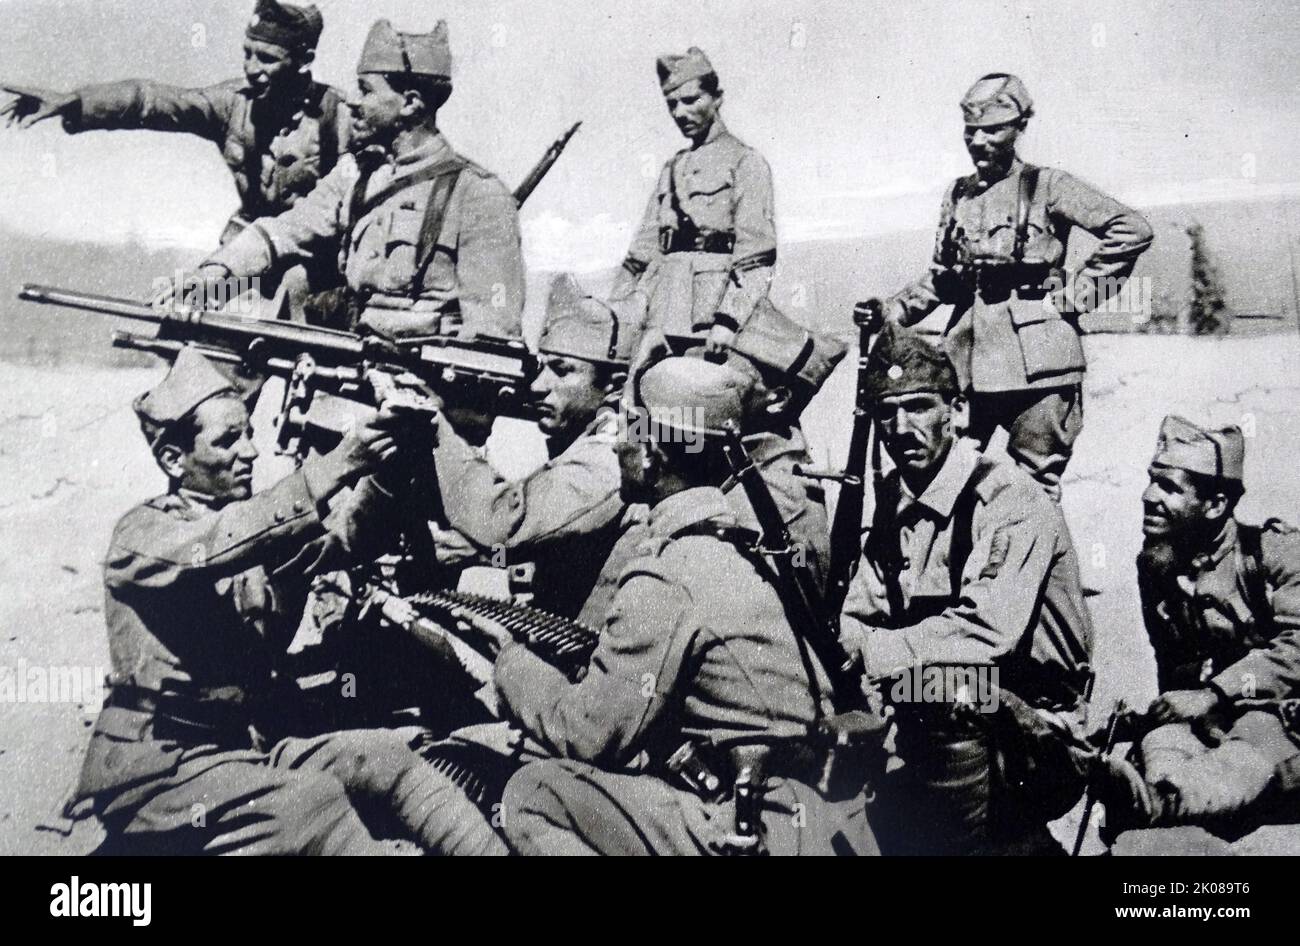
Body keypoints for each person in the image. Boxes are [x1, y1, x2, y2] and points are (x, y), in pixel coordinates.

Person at [65, 346, 506, 855]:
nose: (250, 452)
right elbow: (217, 545)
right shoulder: (143, 536)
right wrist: (339, 462)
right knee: (310, 805)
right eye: (229, 440)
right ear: (173, 460)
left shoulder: (250, 530)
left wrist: (387, 463)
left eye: (249, 433)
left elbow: (339, 541)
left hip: (233, 753)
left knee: (384, 756)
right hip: (158, 774)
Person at [494, 356, 877, 855]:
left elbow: (589, 733)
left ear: (652, 454)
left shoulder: (669, 574)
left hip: (758, 827)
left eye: (627, 429)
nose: (615, 442)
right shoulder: (750, 543)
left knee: (535, 793)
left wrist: (509, 663)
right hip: (817, 817)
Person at [839, 323, 1094, 854]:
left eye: (919, 407)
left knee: (942, 690)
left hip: (1039, 726)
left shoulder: (1008, 497)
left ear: (954, 412)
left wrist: (871, 651)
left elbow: (987, 631)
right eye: (886, 412)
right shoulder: (896, 496)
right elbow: (862, 610)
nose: (900, 426)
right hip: (947, 711)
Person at [884, 73, 1153, 500]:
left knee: (1035, 488)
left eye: (993, 130)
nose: (978, 142)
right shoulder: (959, 195)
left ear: (1020, 127)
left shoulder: (1049, 186)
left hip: (1040, 364)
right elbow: (943, 277)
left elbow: (1131, 229)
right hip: (968, 361)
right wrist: (889, 312)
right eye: (971, 131)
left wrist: (1076, 297)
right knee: (946, 482)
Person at [173, 18, 524, 343]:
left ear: (411, 104)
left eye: (366, 90)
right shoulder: (355, 174)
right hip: (349, 371)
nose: (353, 103)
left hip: (420, 398)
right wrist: (211, 275)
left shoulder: (477, 195)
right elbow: (284, 230)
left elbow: (489, 348)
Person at [1, 0, 349, 317]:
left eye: (268, 59)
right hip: (241, 262)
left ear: (304, 59)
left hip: (311, 270)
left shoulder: (338, 116)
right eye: (247, 53)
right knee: (187, 315)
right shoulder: (233, 104)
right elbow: (153, 102)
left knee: (283, 335)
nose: (251, 68)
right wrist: (78, 102)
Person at [1098, 417, 1300, 840]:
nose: (1148, 497)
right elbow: (1173, 663)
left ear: (1215, 504)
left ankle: (1163, 803)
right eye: (1152, 481)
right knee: (1164, 738)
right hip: (1216, 719)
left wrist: (1214, 694)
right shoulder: (1157, 564)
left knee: (1255, 738)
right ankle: (1154, 796)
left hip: (1282, 719)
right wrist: (1163, 713)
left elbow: (1296, 646)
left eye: (1169, 488)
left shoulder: (1275, 553)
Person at [430, 273, 640, 618]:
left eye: (561, 371)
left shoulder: (610, 458)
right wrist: (482, 556)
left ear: (614, 387)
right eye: (541, 367)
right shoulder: (580, 442)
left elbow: (505, 524)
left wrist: (435, 425)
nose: (540, 385)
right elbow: (549, 548)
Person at [609, 47, 776, 358]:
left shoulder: (745, 162)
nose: (679, 113)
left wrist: (729, 321)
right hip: (659, 312)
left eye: (690, 100)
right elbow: (640, 252)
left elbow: (757, 257)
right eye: (672, 104)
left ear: (717, 98)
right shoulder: (673, 168)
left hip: (708, 322)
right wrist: (614, 311)